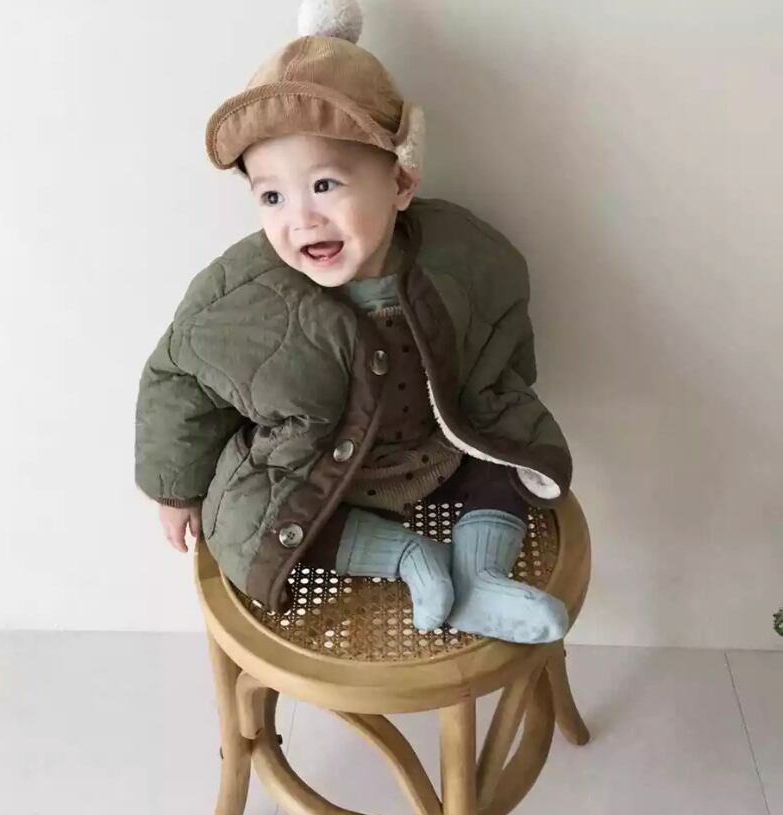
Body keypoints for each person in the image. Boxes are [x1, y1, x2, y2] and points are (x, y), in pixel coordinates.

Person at [134, 0, 574, 644]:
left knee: (510, 468)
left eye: (325, 185)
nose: (301, 219)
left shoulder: (464, 253)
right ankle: (410, 558)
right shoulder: (239, 292)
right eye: (272, 196)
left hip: (441, 452)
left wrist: (500, 403)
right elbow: (177, 377)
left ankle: (480, 577)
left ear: (401, 181)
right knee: (253, 524)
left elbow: (501, 333)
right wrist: (174, 490)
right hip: (319, 480)